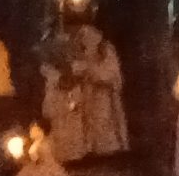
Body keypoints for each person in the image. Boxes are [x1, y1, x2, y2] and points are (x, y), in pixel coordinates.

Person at [44, 23, 130, 163]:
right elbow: (54, 72)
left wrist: (90, 71)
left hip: (101, 100)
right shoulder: (64, 47)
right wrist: (66, 77)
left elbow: (111, 74)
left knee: (102, 131)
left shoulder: (105, 49)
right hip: (73, 98)